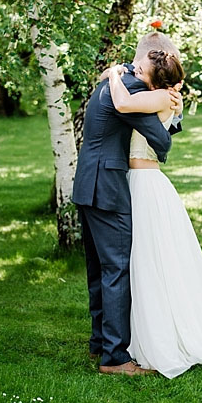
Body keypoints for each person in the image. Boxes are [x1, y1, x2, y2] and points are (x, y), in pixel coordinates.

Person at [107, 50, 202, 379]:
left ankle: (157, 339)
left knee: (148, 260)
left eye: (145, 69)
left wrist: (113, 74)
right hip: (143, 181)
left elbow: (123, 103)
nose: (137, 72)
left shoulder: (156, 99)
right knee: (152, 259)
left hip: (143, 182)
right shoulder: (167, 99)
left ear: (156, 79)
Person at [72, 32, 183, 376]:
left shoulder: (111, 80)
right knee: (117, 269)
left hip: (87, 182)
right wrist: (172, 110)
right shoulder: (131, 89)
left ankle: (98, 344)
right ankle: (116, 358)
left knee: (98, 270)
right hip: (109, 187)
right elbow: (161, 141)